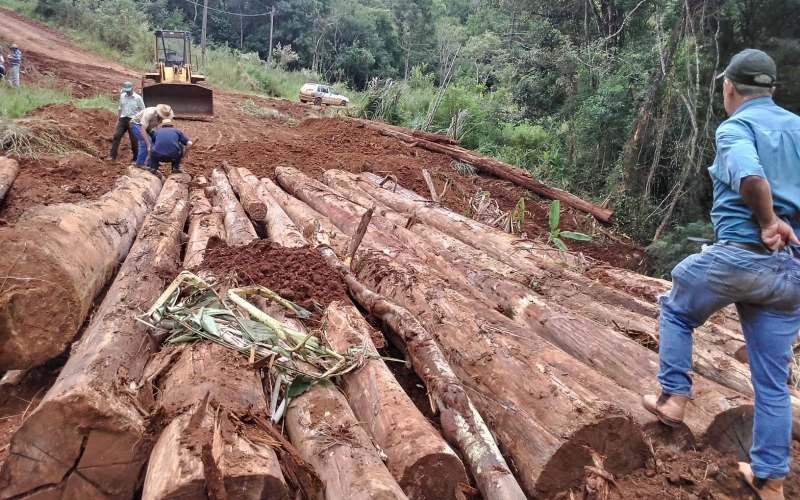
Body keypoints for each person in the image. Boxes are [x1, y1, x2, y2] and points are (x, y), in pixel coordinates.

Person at [643, 49, 800, 500]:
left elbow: (750, 177)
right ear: (773, 90)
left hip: (741, 256)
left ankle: (673, 399)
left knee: (676, 307)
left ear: (728, 88)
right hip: (791, 273)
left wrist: (769, 221)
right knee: (772, 381)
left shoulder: (736, 126)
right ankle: (771, 482)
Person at [109, 82, 145, 162]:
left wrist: (140, 123)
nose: (127, 92)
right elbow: (120, 108)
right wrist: (118, 120)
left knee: (134, 139)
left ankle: (135, 158)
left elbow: (143, 111)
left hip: (133, 120)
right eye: (126, 91)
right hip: (123, 119)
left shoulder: (138, 98)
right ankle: (112, 156)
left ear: (132, 88)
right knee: (116, 136)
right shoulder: (122, 96)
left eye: (128, 91)